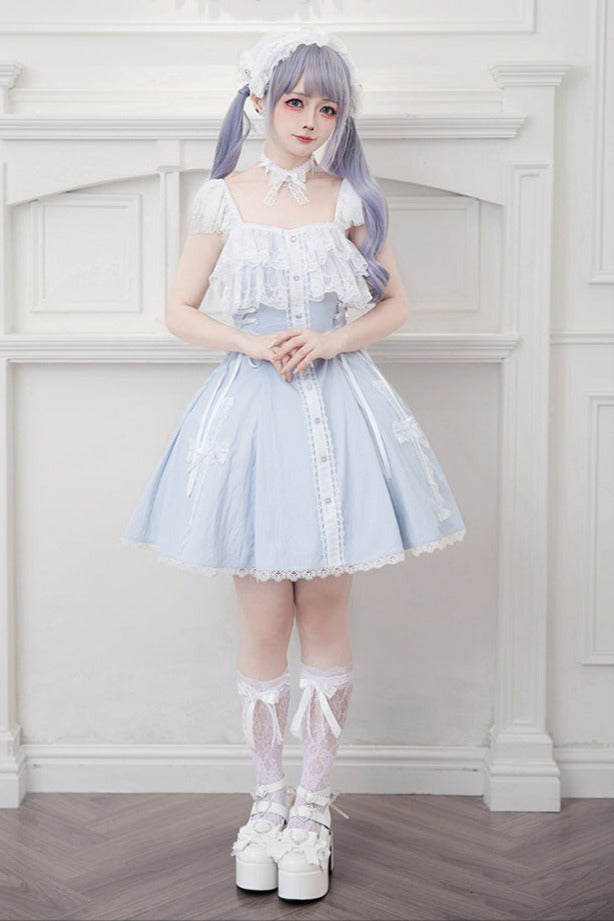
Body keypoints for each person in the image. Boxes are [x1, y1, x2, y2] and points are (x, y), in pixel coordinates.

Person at [122, 27, 466, 902]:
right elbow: (179, 308)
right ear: (260, 104)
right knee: (261, 618)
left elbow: (396, 304)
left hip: (336, 413)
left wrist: (330, 338)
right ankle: (266, 804)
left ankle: (313, 809)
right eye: (296, 101)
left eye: (328, 106)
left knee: (326, 607)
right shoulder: (222, 199)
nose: (311, 119)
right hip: (249, 415)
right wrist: (249, 343)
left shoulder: (347, 197)